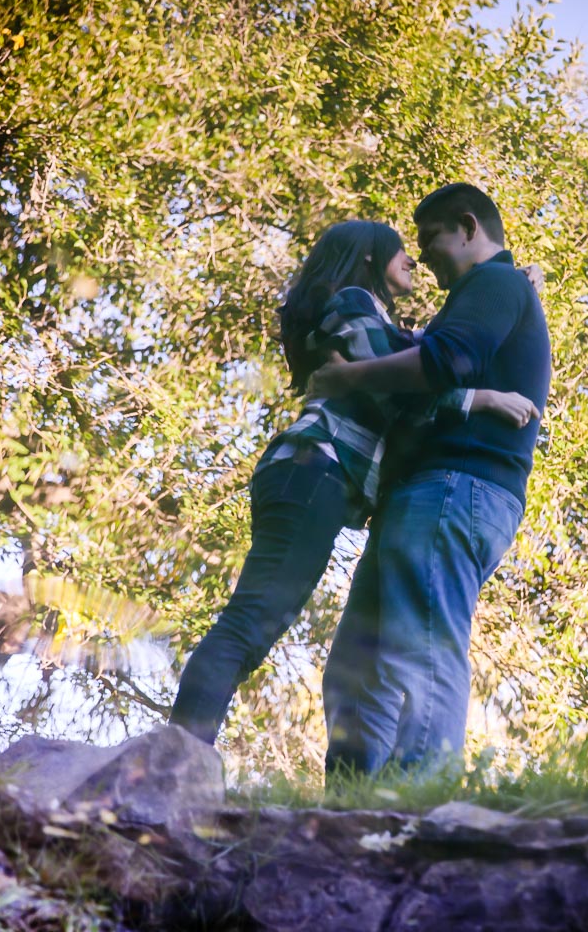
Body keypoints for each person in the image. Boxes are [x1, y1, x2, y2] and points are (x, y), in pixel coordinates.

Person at [168, 219, 540, 746]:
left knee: (258, 623)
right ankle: (180, 752)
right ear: (369, 256)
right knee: (251, 620)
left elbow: (419, 348)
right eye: (400, 250)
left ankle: (184, 749)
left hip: (311, 476)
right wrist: (482, 398)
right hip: (311, 470)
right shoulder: (352, 301)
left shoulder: (369, 315)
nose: (412, 260)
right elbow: (404, 385)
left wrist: (517, 286)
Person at [308, 184, 552, 777]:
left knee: (421, 652)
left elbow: (443, 364)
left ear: (468, 227)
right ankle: (353, 810)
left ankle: (420, 800)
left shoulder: (496, 284)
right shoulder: (485, 293)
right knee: (355, 668)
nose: (421, 256)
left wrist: (346, 379)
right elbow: (432, 364)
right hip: (423, 498)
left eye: (430, 239)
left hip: (455, 488)